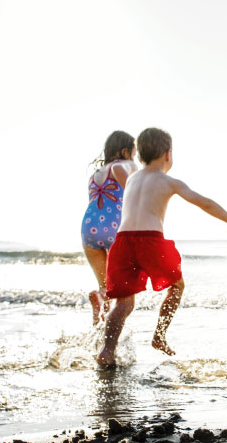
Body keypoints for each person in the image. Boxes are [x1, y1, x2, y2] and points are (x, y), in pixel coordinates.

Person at [97, 127, 227, 364]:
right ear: (168, 154)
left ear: (140, 155)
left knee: (123, 303)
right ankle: (159, 335)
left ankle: (106, 351)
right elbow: (202, 202)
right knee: (176, 286)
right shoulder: (169, 181)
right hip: (149, 240)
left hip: (121, 242)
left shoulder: (132, 178)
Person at [81, 131, 139, 325]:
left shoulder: (95, 174)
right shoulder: (124, 165)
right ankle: (109, 341)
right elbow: (133, 192)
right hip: (115, 229)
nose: (135, 158)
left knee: (105, 287)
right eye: (134, 153)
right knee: (124, 294)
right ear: (125, 151)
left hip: (89, 229)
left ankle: (98, 331)